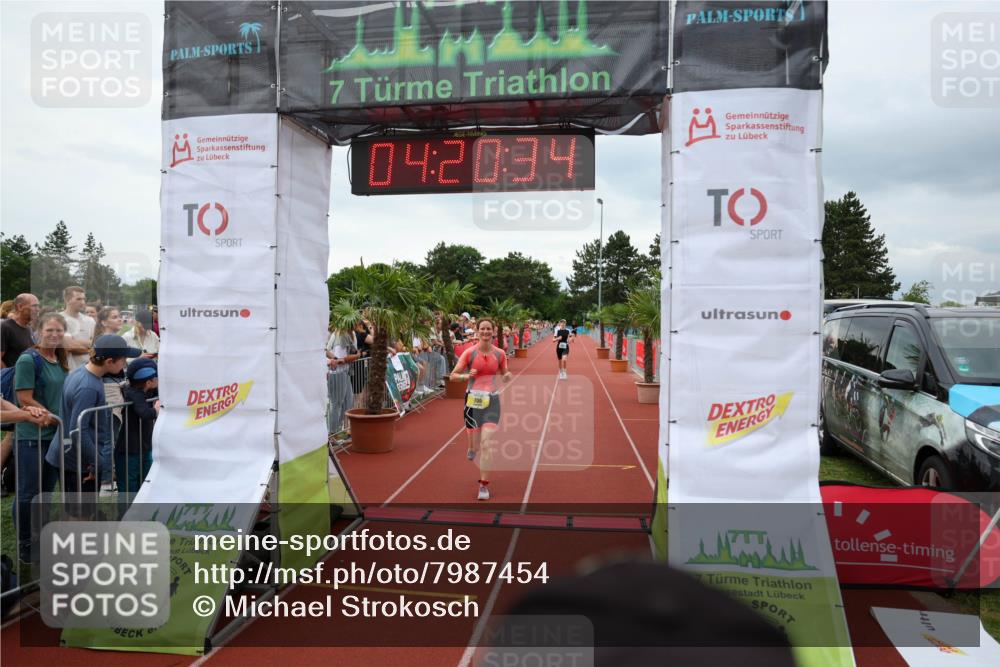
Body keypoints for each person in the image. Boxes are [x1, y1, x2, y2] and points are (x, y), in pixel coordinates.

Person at [46, 334, 140, 496]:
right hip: (78, 462)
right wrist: (97, 463)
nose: (125, 364)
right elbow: (78, 430)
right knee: (79, 515)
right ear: (109, 361)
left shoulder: (81, 373)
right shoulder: (88, 387)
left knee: (79, 512)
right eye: (123, 359)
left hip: (75, 457)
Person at [12, 312, 69, 563]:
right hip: (32, 436)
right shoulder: (28, 360)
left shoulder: (59, 358)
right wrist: (48, 415)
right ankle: (25, 542)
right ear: (38, 332)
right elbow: (24, 398)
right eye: (49, 331)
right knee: (28, 493)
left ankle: (41, 538)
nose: (55, 335)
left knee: (45, 492)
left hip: (53, 435)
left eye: (59, 331)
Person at [449, 319, 512, 501]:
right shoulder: (470, 353)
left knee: (486, 444)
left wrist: (507, 376)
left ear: (493, 332)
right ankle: (471, 447)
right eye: (482, 328)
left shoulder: (500, 354)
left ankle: (483, 486)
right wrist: (465, 376)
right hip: (472, 401)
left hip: (491, 400)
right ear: (477, 331)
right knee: (475, 443)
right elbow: (453, 376)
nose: (485, 332)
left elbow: (505, 372)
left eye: (488, 329)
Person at [117, 358, 158, 500]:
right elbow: (144, 412)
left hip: (144, 447)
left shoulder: (147, 391)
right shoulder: (133, 393)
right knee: (129, 487)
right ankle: (125, 518)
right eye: (156, 378)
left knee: (145, 483)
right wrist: (156, 410)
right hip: (129, 450)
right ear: (148, 382)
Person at [326, 324, 360, 436]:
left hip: (344, 373)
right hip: (337, 374)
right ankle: (332, 433)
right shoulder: (341, 335)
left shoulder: (346, 334)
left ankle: (336, 429)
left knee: (348, 403)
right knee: (336, 403)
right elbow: (340, 359)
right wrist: (357, 356)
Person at [60, 286, 96, 371]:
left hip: (90, 371)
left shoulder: (90, 321)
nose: (83, 302)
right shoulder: (59, 319)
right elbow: (70, 346)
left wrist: (75, 342)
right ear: (67, 300)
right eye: (78, 299)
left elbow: (98, 345)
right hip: (69, 372)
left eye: (84, 299)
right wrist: (91, 347)